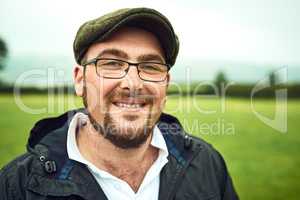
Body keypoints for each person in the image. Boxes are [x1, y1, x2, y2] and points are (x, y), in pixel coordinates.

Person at [0, 7, 238, 200]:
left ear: (165, 84)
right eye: (111, 64)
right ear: (80, 80)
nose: (133, 84)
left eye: (150, 66)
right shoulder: (16, 187)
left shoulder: (206, 163)